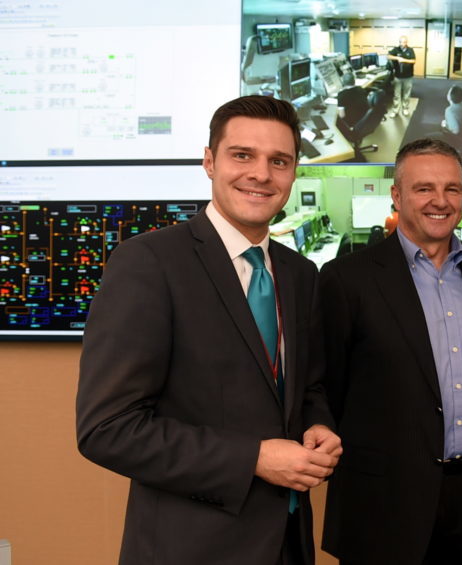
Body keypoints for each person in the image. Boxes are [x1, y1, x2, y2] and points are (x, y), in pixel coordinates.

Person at [77, 95, 341, 565]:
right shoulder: (150, 263)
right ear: (209, 162)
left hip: (287, 542)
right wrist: (253, 458)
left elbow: (305, 385)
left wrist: (317, 424)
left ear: (294, 171)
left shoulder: (300, 274)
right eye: (243, 155)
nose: (261, 174)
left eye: (279, 161)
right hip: (191, 548)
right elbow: (108, 429)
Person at [319, 138, 462, 564]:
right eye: (424, 188)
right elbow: (328, 386)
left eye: (452, 189)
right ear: (396, 195)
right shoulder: (346, 279)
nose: (440, 201)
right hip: (384, 503)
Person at [388, 35, 416, 118]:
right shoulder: (396, 49)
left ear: (406, 42)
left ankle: (405, 108)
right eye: (400, 42)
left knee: (406, 94)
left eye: (403, 42)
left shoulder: (410, 50)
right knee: (396, 95)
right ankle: (395, 110)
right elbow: (388, 56)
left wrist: (403, 60)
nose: (401, 44)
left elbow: (413, 60)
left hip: (408, 77)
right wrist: (397, 57)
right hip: (398, 76)